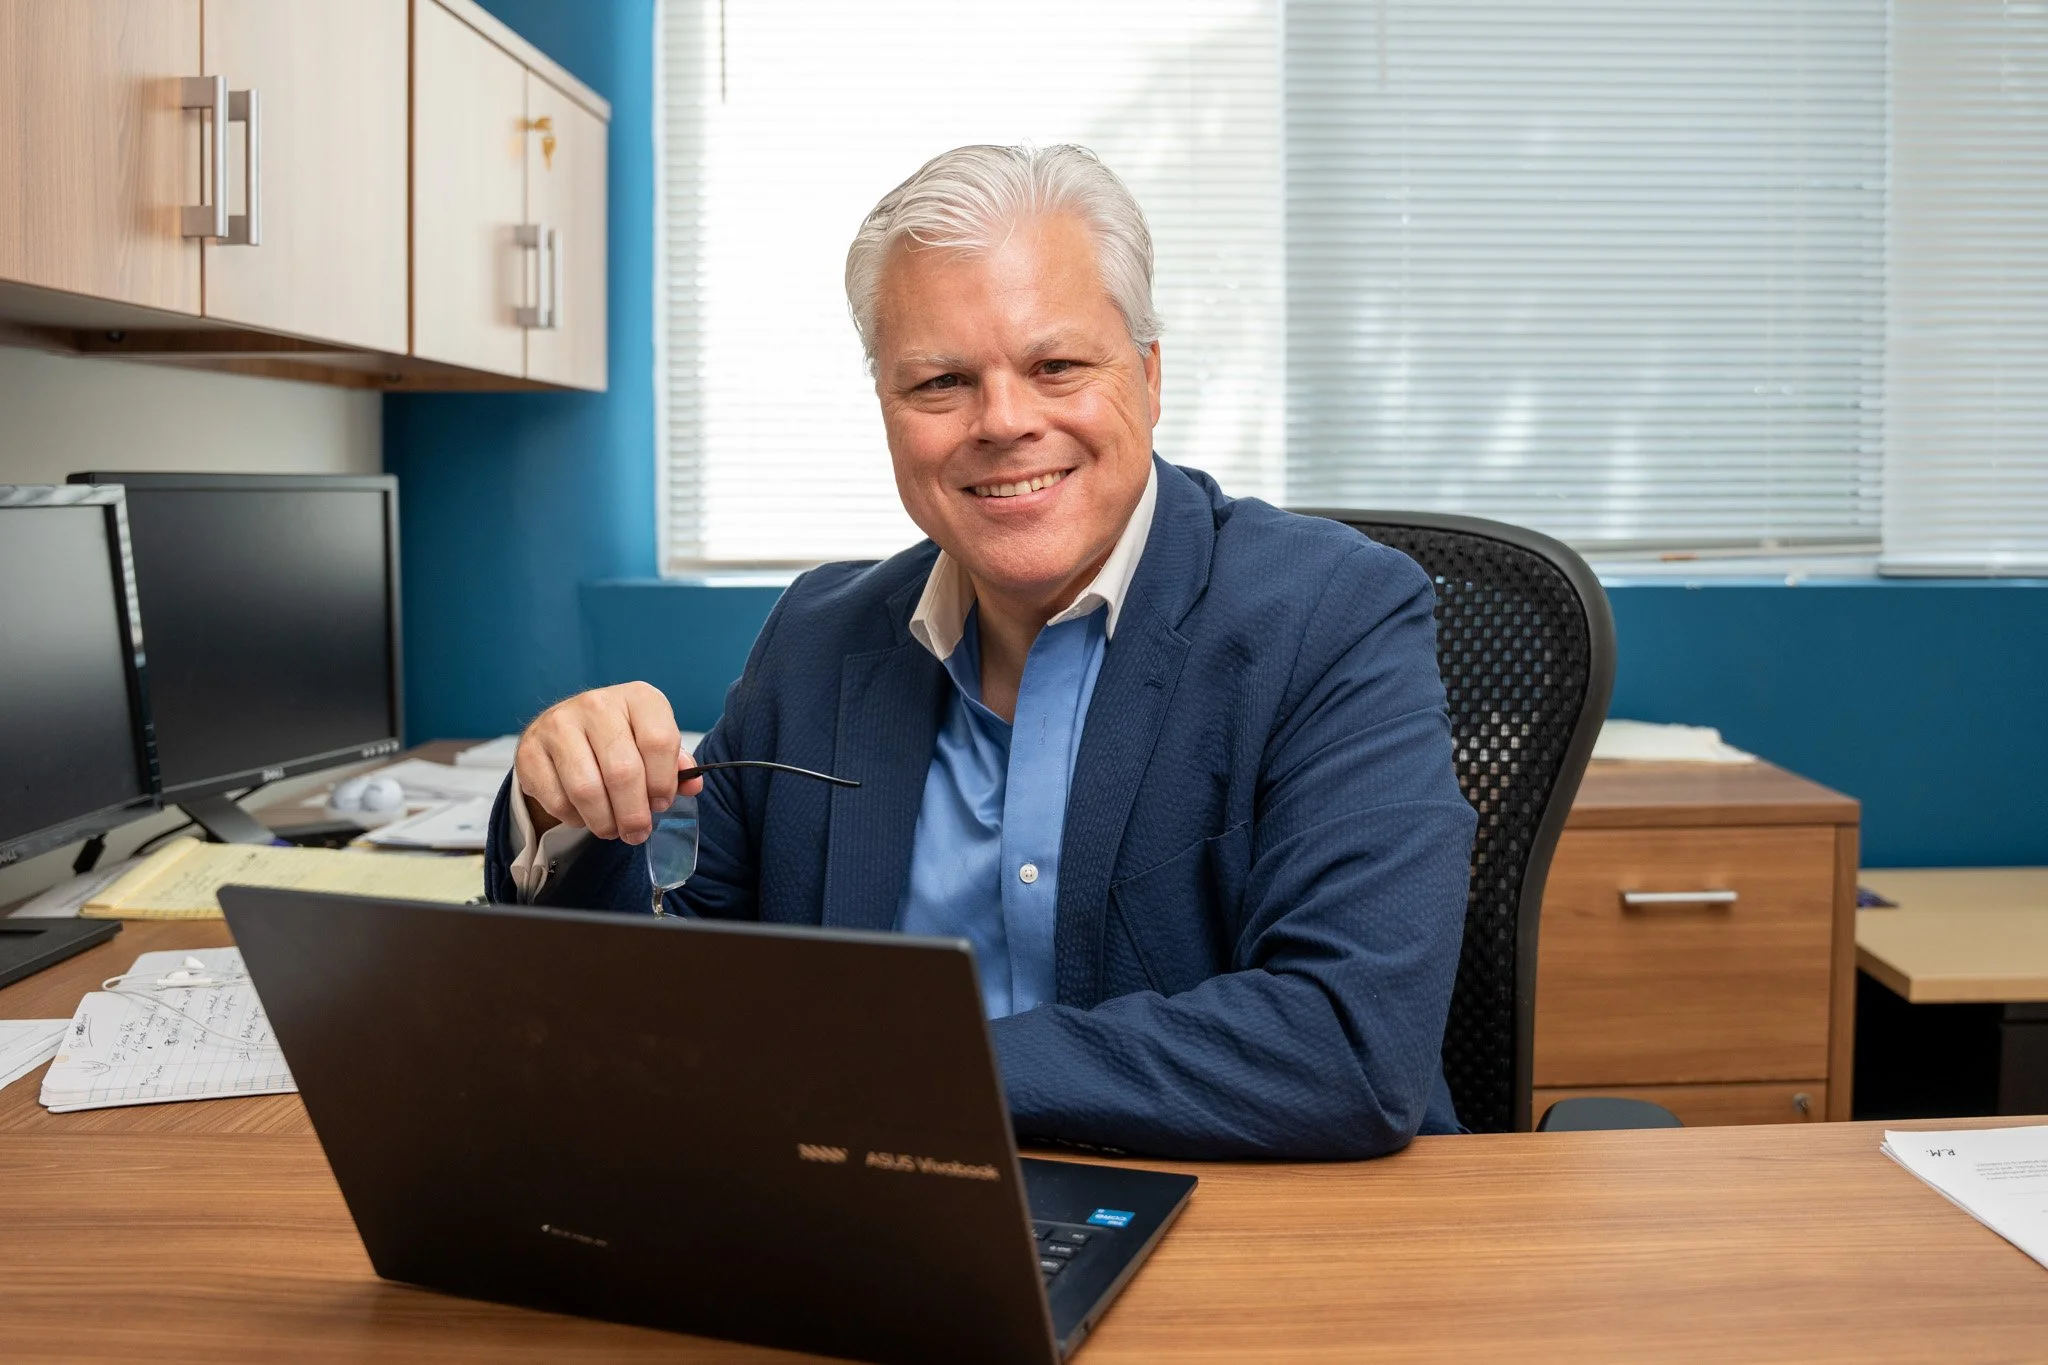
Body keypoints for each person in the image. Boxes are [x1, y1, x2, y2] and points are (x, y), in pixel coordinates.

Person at [486, 144, 1477, 1160]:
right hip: (872, 1228)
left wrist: (902, 1068)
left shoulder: (1335, 613)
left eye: (1055, 366)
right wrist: (568, 824)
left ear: (1145, 374)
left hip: (1243, 1243)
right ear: (885, 409)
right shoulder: (817, 639)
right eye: (941, 382)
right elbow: (666, 1009)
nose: (1003, 421)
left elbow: (1344, 1043)